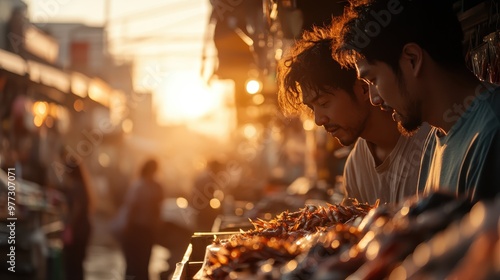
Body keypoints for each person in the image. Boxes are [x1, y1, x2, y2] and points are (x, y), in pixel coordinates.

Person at [332, 0, 500, 201]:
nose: (375, 99)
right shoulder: (435, 138)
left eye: (373, 80)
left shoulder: (492, 132)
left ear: (412, 59)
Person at [277, 26, 433, 205]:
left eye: (324, 103)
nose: (319, 120)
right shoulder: (355, 167)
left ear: (364, 87)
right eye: (312, 109)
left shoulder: (429, 141)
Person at [121, 158, 164, 280]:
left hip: (135, 228)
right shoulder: (157, 187)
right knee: (144, 264)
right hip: (148, 230)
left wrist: (126, 228)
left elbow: (131, 209)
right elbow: (158, 211)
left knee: (132, 264)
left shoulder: (137, 185)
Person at [61, 159, 93, 280]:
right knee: (78, 264)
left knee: (72, 265)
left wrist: (68, 226)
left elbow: (76, 209)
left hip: (77, 231)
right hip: (84, 229)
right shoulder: (82, 186)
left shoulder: (75, 187)